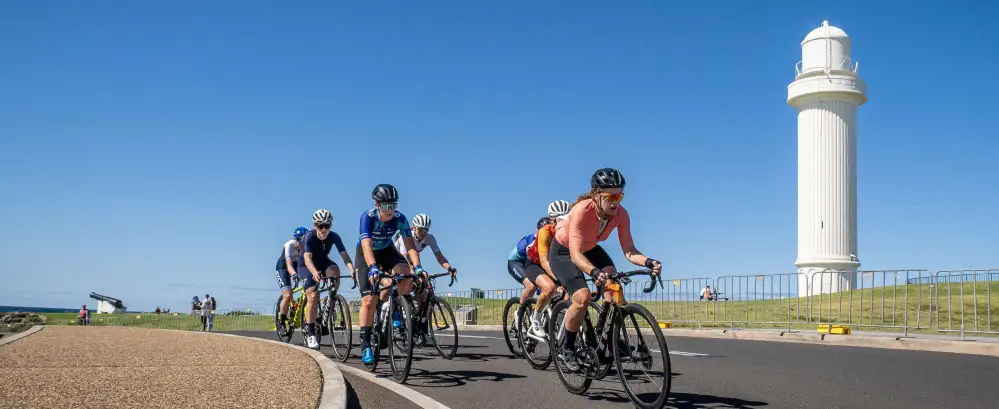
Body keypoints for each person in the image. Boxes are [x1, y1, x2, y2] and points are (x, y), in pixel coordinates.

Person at [549, 168, 662, 371]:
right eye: (609, 196)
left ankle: (603, 338)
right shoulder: (582, 211)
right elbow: (575, 255)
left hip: (590, 248)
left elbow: (629, 250)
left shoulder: (621, 214)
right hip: (564, 252)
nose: (615, 202)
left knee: (614, 283)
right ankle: (567, 348)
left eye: (619, 196)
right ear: (596, 195)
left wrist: (648, 262)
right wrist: (593, 272)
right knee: (582, 297)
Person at [353, 183, 425, 365]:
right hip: (366, 254)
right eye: (386, 206)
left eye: (393, 205)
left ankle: (392, 306)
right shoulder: (367, 218)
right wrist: (373, 267)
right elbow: (367, 246)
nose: (390, 210)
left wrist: (418, 268)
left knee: (406, 276)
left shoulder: (400, 219)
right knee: (369, 300)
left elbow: (410, 247)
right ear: (377, 205)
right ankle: (366, 344)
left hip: (387, 250)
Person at [391, 213, 458, 344]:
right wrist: (416, 272)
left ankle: (421, 324)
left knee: (424, 292)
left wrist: (449, 267)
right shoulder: (406, 236)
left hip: (414, 261)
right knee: (405, 284)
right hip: (398, 260)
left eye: (426, 229)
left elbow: (439, 256)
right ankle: (399, 313)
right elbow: (405, 259)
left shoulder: (429, 238)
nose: (423, 232)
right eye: (420, 229)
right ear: (414, 227)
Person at [298, 209, 353, 350]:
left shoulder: (334, 236)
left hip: (323, 261)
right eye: (320, 226)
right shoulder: (309, 237)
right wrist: (315, 272)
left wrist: (352, 270)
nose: (323, 229)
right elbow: (307, 259)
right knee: (312, 294)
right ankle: (310, 333)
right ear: (314, 225)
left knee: (335, 272)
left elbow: (344, 255)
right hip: (306, 265)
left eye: (326, 226)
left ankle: (331, 301)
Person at [522, 199, 571, 337]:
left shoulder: (569, 231)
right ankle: (535, 319)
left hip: (554, 264)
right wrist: (560, 279)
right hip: (535, 264)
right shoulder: (545, 231)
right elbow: (544, 262)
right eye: (561, 220)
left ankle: (560, 327)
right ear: (553, 221)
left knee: (569, 293)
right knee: (549, 288)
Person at [506, 216, 549, 331]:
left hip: (529, 263)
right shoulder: (532, 240)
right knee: (531, 285)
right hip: (516, 262)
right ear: (537, 231)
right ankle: (519, 313)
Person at [276, 226, 308, 333]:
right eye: (301, 242)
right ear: (296, 239)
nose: (302, 245)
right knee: (288, 295)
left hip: (297, 265)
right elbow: (289, 266)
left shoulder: (306, 247)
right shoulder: (289, 245)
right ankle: (282, 322)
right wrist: (294, 275)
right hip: (283, 267)